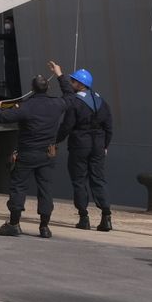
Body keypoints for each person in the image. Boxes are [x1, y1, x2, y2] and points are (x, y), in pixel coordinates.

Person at [0, 76, 65, 237]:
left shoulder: (26, 107)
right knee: (45, 189)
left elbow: (1, 118)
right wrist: (60, 76)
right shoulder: (57, 104)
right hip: (47, 154)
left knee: (18, 187)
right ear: (48, 87)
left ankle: (14, 224)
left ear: (32, 88)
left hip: (27, 154)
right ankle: (44, 227)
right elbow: (71, 97)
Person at [51, 61, 114, 232]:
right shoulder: (101, 101)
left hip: (80, 145)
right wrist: (105, 145)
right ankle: (106, 217)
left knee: (79, 181)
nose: (71, 84)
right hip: (98, 145)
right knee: (98, 179)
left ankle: (84, 218)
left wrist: (55, 141)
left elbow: (67, 126)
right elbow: (109, 126)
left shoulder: (75, 103)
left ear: (80, 84)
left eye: (73, 81)